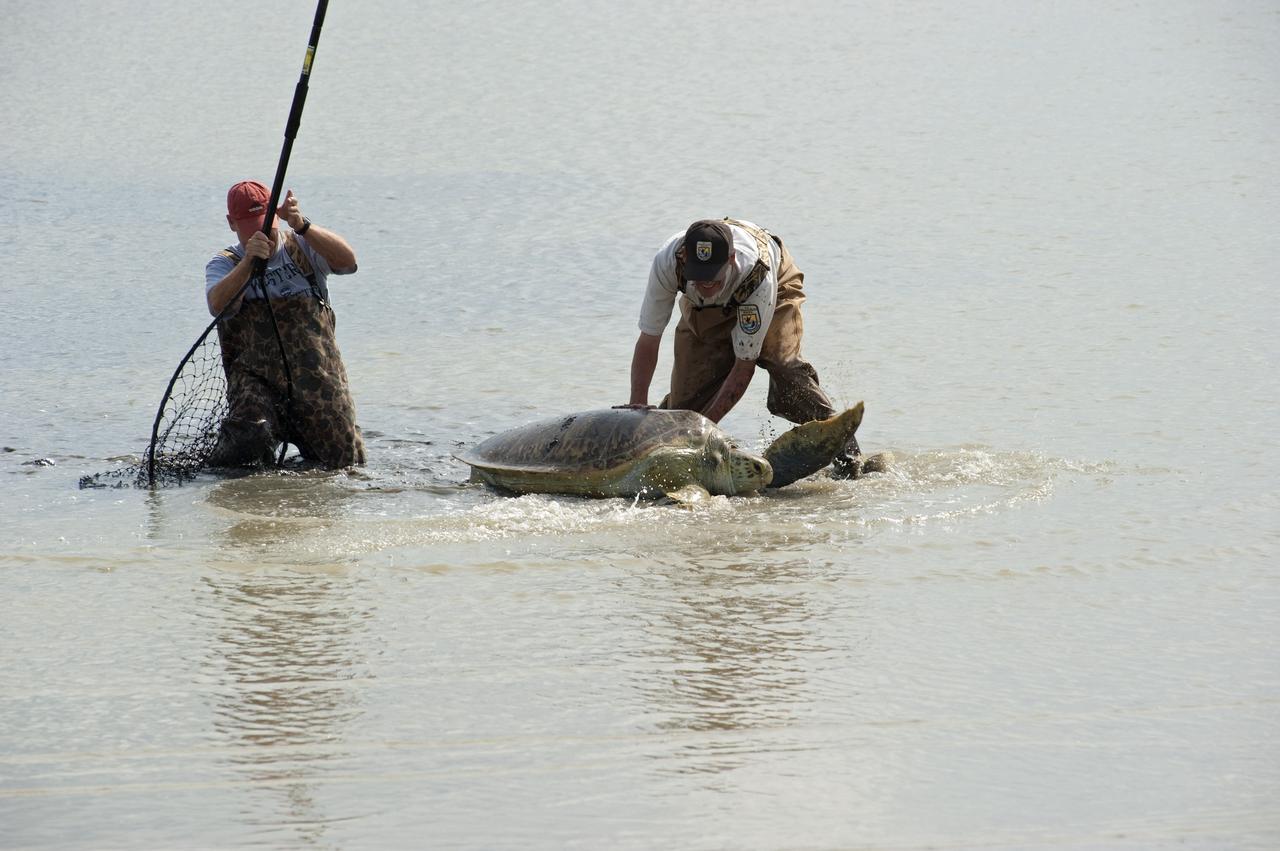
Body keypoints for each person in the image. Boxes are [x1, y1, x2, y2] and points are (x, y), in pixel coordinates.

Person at [624, 217, 863, 480]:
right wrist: (638, 405)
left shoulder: (756, 273)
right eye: (699, 277)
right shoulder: (668, 262)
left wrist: (706, 431)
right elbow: (649, 338)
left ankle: (846, 451)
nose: (706, 284)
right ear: (684, 258)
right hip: (704, 309)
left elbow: (743, 366)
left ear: (731, 258)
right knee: (687, 408)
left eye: (712, 277)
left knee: (784, 369)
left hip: (773, 288)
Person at [203, 179, 365, 469]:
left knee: (345, 462)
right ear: (232, 223)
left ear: (276, 216)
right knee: (248, 435)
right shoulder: (225, 263)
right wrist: (249, 262)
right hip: (256, 382)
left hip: (317, 379)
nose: (260, 231)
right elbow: (218, 305)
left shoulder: (303, 247)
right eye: (249, 224)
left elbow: (349, 263)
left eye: (265, 222)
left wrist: (302, 225)